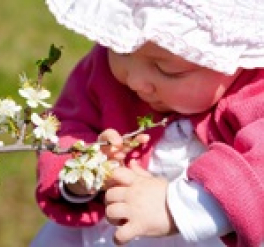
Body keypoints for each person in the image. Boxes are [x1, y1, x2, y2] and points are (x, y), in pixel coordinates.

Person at [31, 1, 264, 246]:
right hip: (102, 232)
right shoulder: (104, 74)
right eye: (121, 51)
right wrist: (81, 170)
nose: (135, 81)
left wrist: (175, 207)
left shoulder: (254, 95)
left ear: (235, 57)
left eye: (168, 71)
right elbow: (66, 124)